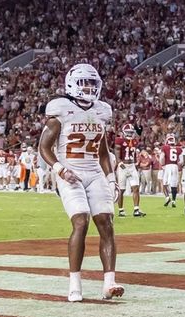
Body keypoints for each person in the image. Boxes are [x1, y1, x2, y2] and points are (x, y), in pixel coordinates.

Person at [38, 63, 124, 302]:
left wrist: (111, 179)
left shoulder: (101, 111)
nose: (88, 87)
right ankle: (74, 283)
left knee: (106, 222)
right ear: (72, 84)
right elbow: (43, 147)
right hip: (70, 172)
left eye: (92, 83)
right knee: (81, 222)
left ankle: (109, 283)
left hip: (95, 172)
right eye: (84, 82)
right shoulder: (60, 110)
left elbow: (104, 152)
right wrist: (59, 169)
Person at [114, 124, 146, 217]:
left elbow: (134, 156)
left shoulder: (134, 141)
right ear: (123, 132)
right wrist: (124, 168)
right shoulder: (119, 140)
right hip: (122, 166)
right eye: (128, 132)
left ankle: (136, 210)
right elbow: (117, 157)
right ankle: (121, 210)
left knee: (136, 188)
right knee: (122, 189)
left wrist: (135, 165)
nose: (129, 134)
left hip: (131, 166)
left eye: (131, 132)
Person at [161, 133, 182, 207]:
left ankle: (167, 197)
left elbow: (162, 158)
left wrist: (162, 165)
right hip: (175, 166)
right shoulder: (179, 148)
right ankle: (173, 201)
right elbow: (181, 161)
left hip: (167, 166)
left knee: (164, 183)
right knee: (174, 185)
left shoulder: (165, 147)